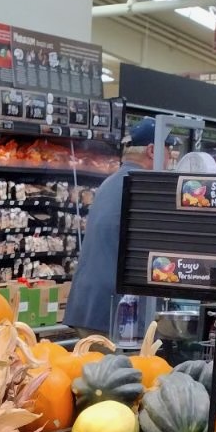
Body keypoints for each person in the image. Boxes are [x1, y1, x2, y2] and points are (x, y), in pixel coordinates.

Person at [64, 117, 155, 336]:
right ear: (152, 150)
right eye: (169, 152)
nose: (171, 159)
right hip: (114, 313)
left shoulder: (111, 182)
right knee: (116, 371)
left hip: (87, 306)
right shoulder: (144, 186)